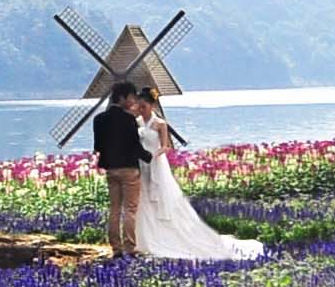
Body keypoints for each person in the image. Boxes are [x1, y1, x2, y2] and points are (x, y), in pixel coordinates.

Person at [130, 88, 264, 263]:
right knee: (144, 199)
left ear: (152, 105)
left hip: (155, 162)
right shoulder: (137, 122)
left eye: (144, 106)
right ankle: (145, 237)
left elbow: (166, 146)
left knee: (160, 197)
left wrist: (155, 155)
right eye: (139, 106)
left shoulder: (160, 124)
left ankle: (163, 234)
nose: (141, 109)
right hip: (142, 163)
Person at [90, 79, 150, 261]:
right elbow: (135, 147)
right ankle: (130, 248)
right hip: (129, 169)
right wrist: (150, 156)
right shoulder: (128, 119)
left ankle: (116, 249)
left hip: (111, 169)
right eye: (131, 97)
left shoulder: (98, 119)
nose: (133, 101)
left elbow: (98, 146)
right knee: (130, 209)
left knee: (114, 209)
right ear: (122, 97)